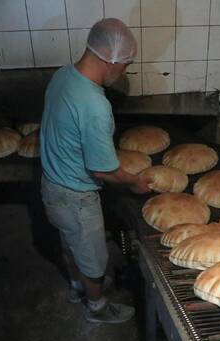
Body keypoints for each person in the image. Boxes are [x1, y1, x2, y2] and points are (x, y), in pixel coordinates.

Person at [39, 18, 152, 324]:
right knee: (93, 258)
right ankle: (98, 307)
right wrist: (134, 183)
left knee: (70, 242)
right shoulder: (94, 105)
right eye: (126, 65)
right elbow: (103, 170)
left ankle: (78, 288)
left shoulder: (63, 75)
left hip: (51, 185)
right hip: (76, 195)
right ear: (111, 61)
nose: (125, 71)